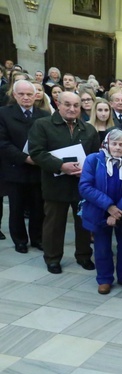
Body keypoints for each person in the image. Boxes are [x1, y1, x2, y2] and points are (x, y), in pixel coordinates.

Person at [28, 91, 99, 274]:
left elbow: (95, 156)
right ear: (58, 104)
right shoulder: (42, 125)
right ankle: (52, 258)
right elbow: (36, 152)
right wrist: (61, 166)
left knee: (84, 222)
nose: (72, 108)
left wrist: (87, 171)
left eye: (76, 105)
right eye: (67, 104)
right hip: (55, 184)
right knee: (54, 224)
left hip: (81, 185)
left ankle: (84, 255)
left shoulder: (88, 129)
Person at [78, 129, 122, 294]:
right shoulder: (93, 160)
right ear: (106, 144)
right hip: (99, 210)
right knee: (102, 247)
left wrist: (119, 210)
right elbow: (85, 187)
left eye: (121, 144)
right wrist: (109, 207)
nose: (118, 148)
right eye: (114, 144)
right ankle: (104, 279)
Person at [0, 80, 50, 253]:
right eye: (21, 94)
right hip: (15, 168)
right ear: (14, 95)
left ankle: (37, 238)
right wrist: (25, 158)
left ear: (36, 95)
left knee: (38, 206)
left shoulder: (44, 115)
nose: (26, 97)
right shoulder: (4, 114)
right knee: (17, 207)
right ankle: (20, 240)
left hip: (38, 168)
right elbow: (3, 143)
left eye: (29, 94)